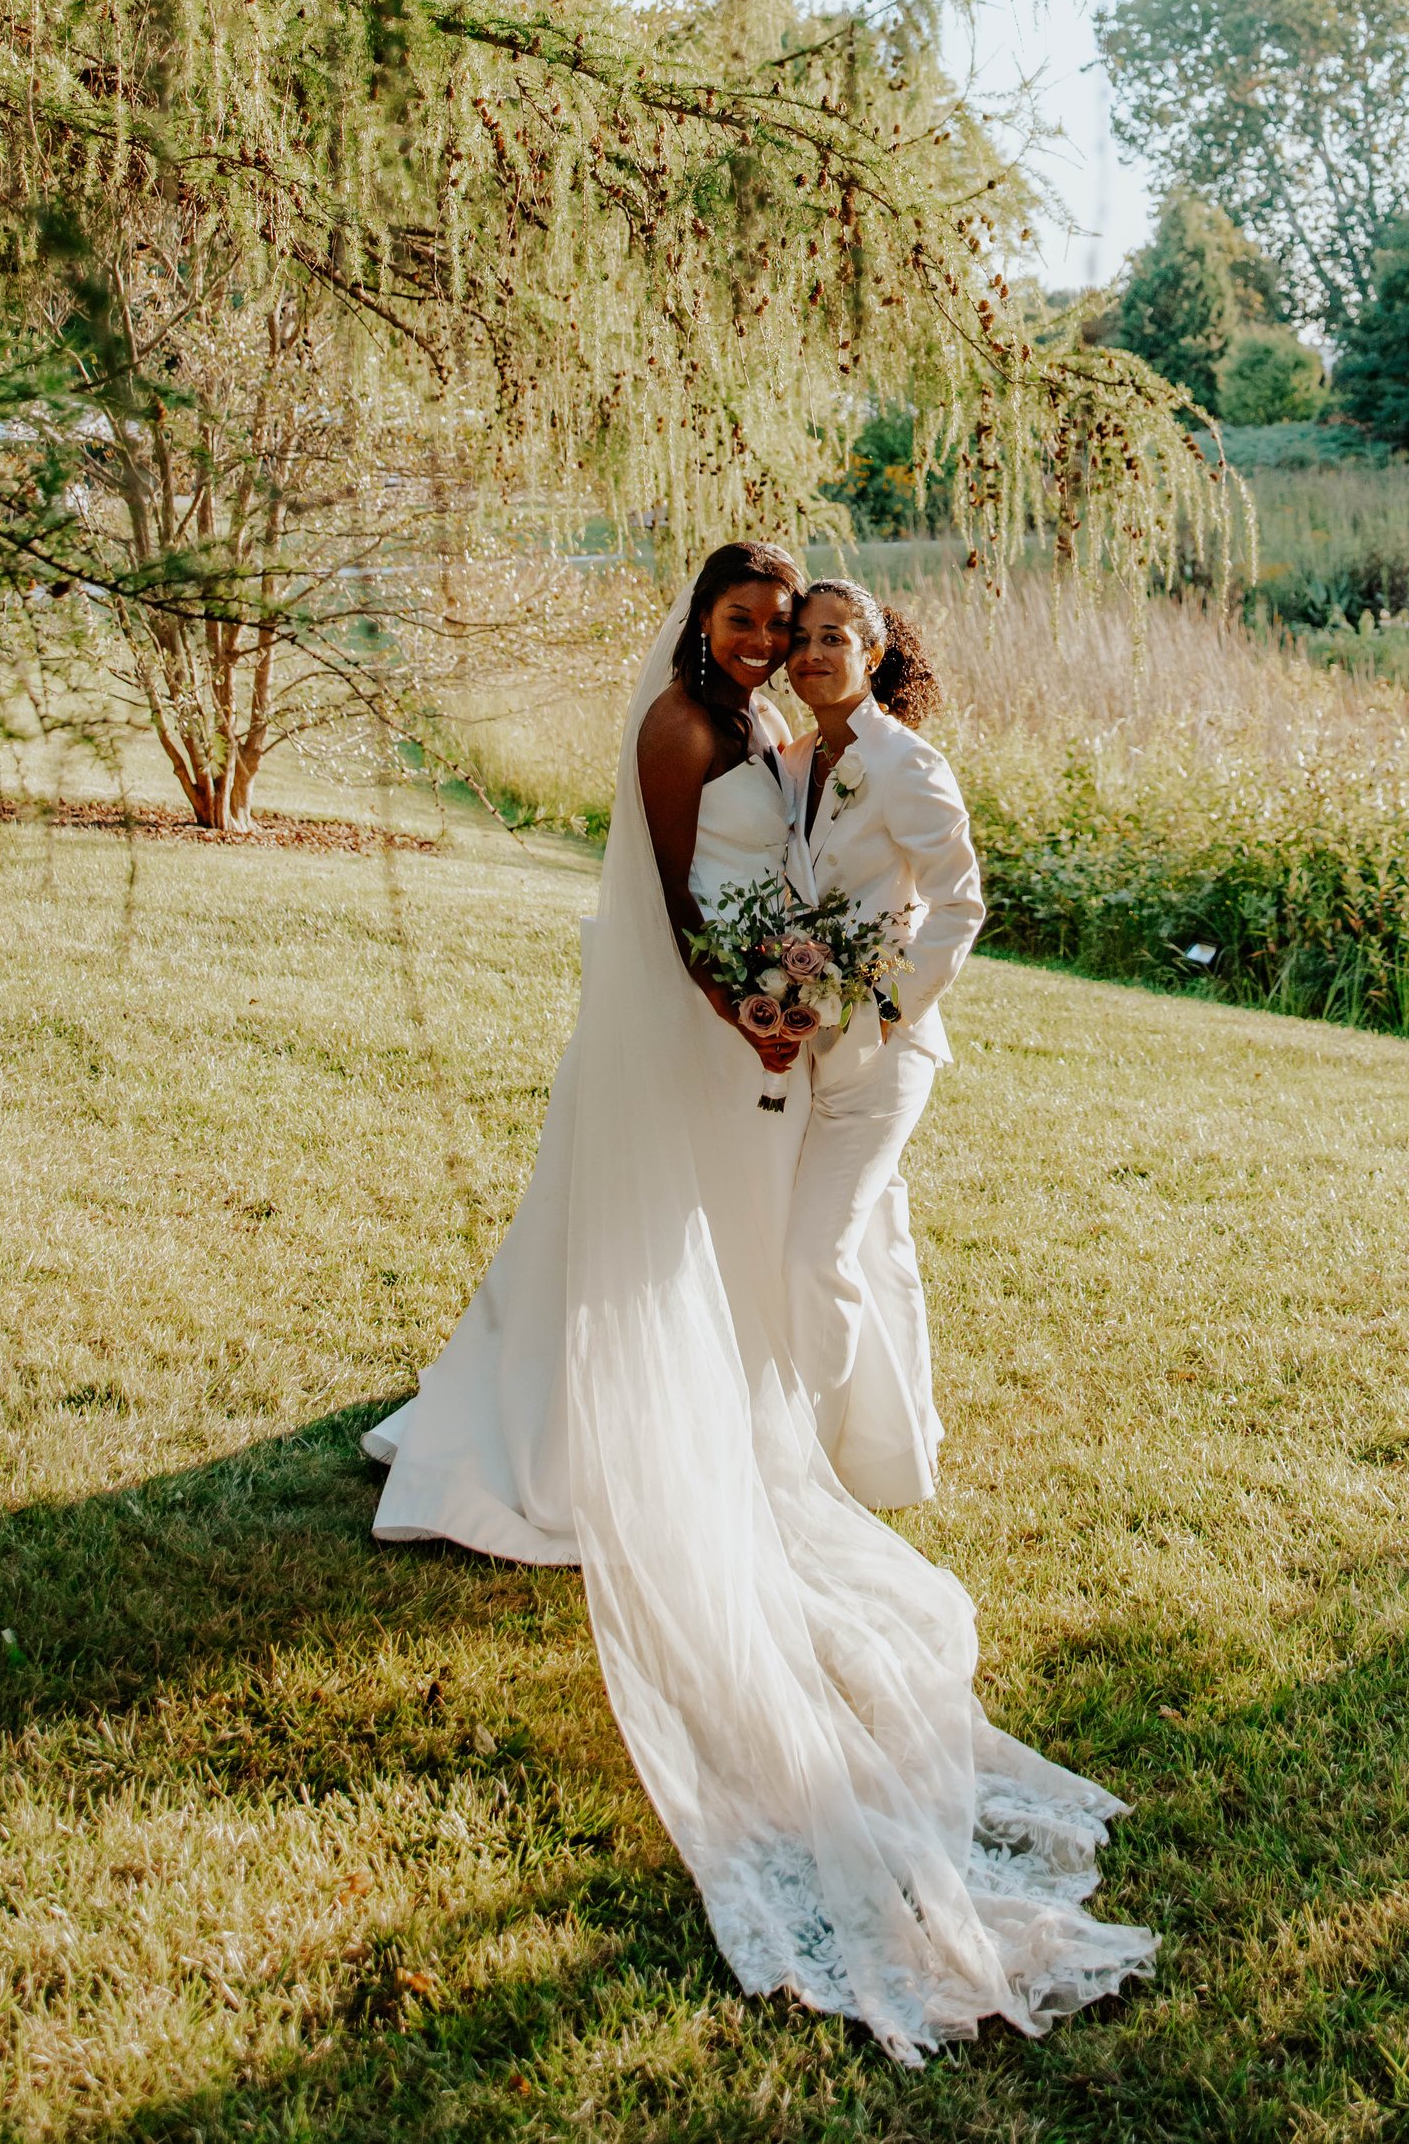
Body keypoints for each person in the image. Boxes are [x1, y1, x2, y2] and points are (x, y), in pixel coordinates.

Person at [361, 544, 1153, 2060]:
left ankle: (795, 1422)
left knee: (757, 1244)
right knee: (673, 1234)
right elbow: (674, 896)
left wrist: (820, 995)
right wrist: (744, 997)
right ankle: (562, 1432)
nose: (770, 640)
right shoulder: (686, 726)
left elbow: (908, 890)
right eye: (753, 621)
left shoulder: (796, 733)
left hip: (790, 1034)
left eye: (789, 625)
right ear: (704, 619)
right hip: (704, 1021)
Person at [779, 581, 982, 1506]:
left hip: (884, 1054)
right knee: (877, 1248)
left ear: (873, 652)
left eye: (834, 638)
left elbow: (959, 903)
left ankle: (807, 1464)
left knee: (814, 1254)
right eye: (800, 638)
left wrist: (887, 1007)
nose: (812, 654)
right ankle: (895, 1452)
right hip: (809, 1043)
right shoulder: (796, 761)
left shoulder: (904, 762)